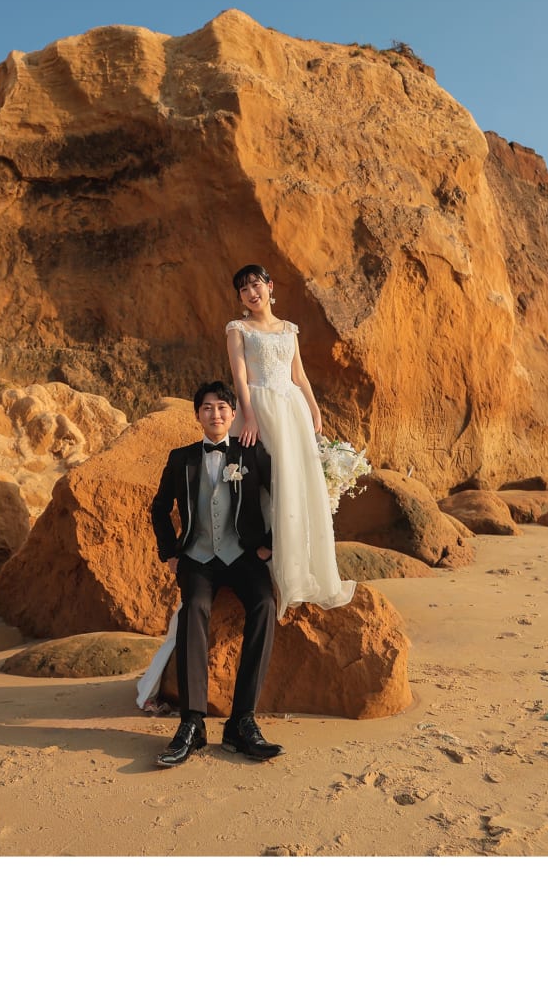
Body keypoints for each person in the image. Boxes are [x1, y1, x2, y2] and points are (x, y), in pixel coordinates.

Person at [145, 381, 285, 767]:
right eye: (207, 408)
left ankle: (242, 721)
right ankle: (192, 723)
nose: (215, 414)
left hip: (243, 555)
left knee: (264, 604)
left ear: (234, 414)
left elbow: (284, 497)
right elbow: (159, 508)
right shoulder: (181, 458)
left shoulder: (252, 453)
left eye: (222, 407)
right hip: (198, 557)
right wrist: (170, 553)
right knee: (194, 608)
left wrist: (269, 545)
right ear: (197, 415)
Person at [224, 264, 355, 615]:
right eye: (243, 289)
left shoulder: (289, 329)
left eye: (255, 285)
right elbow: (239, 378)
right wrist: (249, 416)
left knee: (297, 484)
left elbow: (300, 375)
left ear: (270, 287)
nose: (251, 293)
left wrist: (314, 409)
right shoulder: (237, 329)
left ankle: (300, 570)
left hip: (292, 409)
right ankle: (269, 566)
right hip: (260, 407)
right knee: (269, 483)